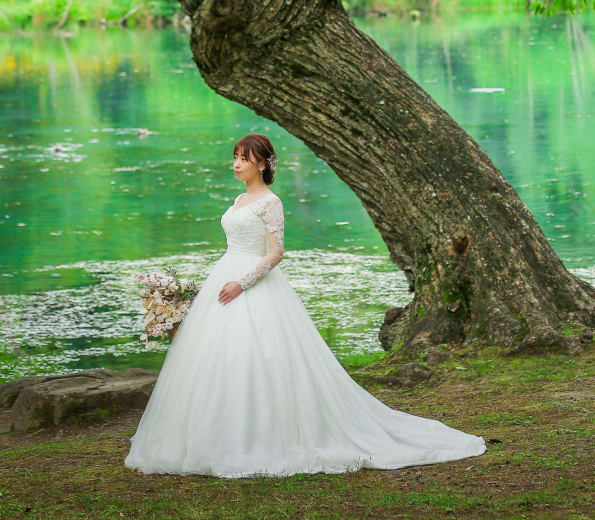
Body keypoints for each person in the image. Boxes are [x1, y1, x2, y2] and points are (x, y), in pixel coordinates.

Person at [125, 133, 485, 477]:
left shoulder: (270, 202)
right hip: (225, 279)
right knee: (218, 359)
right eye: (235, 157)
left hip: (252, 284)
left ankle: (269, 436)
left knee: (263, 358)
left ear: (263, 165)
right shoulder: (237, 202)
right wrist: (219, 281)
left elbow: (276, 253)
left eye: (244, 159)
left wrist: (241, 282)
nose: (236, 164)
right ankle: (211, 435)